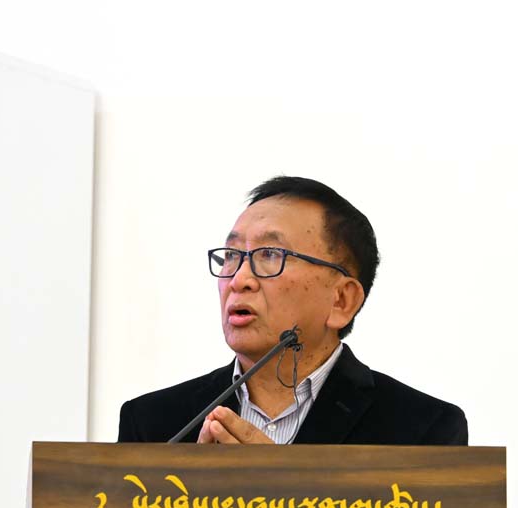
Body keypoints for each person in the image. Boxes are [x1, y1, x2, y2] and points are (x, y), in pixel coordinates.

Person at [117, 175, 467, 449]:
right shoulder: (153, 423)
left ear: (341, 300)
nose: (239, 280)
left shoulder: (422, 429)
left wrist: (283, 493)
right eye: (233, 255)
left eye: (271, 254)